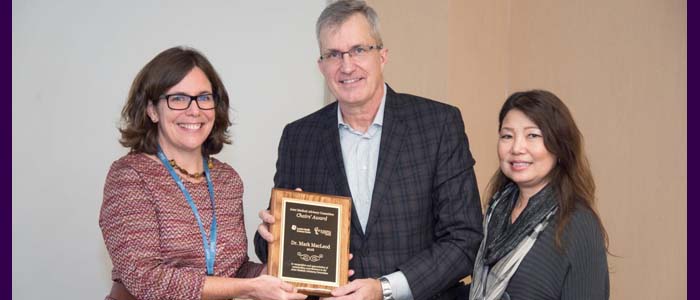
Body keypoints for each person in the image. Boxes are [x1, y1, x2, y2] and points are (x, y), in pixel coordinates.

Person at [253, 1, 483, 299]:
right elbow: (277, 251)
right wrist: (272, 235)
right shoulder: (299, 137)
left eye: (359, 50)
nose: (347, 66)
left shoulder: (437, 124)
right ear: (321, 66)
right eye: (333, 54)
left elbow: (464, 240)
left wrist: (386, 289)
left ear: (382, 56)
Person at [99, 46, 307, 300]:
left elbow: (234, 271)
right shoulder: (130, 176)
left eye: (204, 97)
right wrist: (249, 288)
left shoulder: (226, 180)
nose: (194, 110)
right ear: (152, 110)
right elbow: (146, 280)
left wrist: (287, 265)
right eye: (177, 98)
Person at [469, 90, 609, 300]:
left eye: (532, 135)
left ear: (559, 145)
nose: (517, 148)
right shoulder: (496, 210)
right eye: (507, 136)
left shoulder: (577, 223)